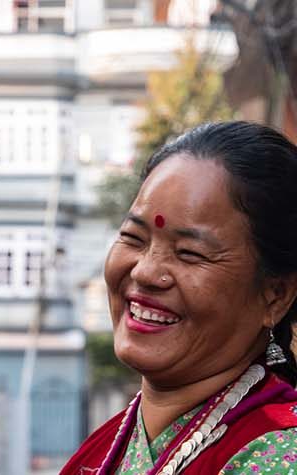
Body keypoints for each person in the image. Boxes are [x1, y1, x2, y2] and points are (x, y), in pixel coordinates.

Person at [62, 121, 297, 475]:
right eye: (134, 238)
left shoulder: (277, 455)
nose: (144, 272)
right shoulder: (107, 445)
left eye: (189, 253)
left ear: (275, 295)